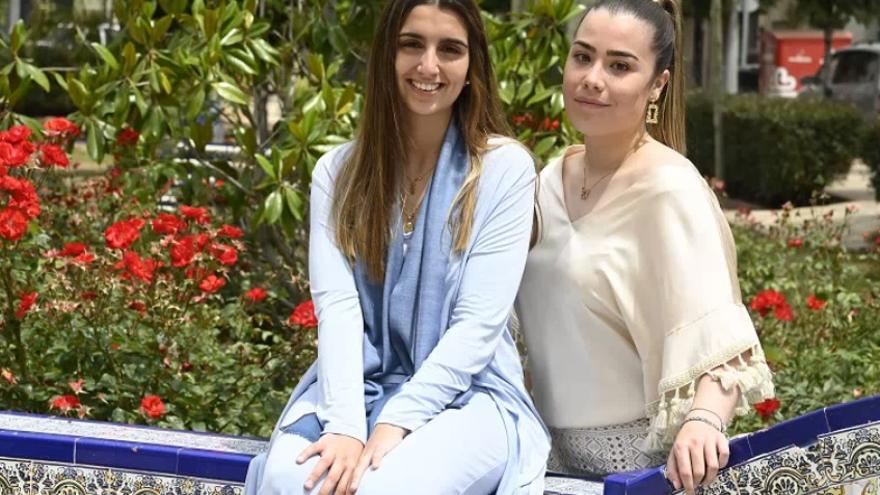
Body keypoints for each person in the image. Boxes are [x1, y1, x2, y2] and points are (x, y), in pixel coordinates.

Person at [244, 1, 549, 494]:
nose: (428, 66)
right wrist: (344, 426)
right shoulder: (337, 173)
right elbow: (339, 308)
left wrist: (396, 422)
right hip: (360, 389)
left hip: (471, 396)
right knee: (289, 480)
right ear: (387, 55)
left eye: (449, 49)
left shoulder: (503, 170)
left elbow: (477, 327)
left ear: (472, 68)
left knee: (383, 487)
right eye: (412, 45)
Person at [514, 1, 774, 494]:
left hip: (644, 471)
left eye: (619, 66)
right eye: (582, 57)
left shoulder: (671, 188)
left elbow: (718, 339)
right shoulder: (544, 183)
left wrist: (703, 422)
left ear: (658, 85)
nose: (592, 78)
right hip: (541, 465)